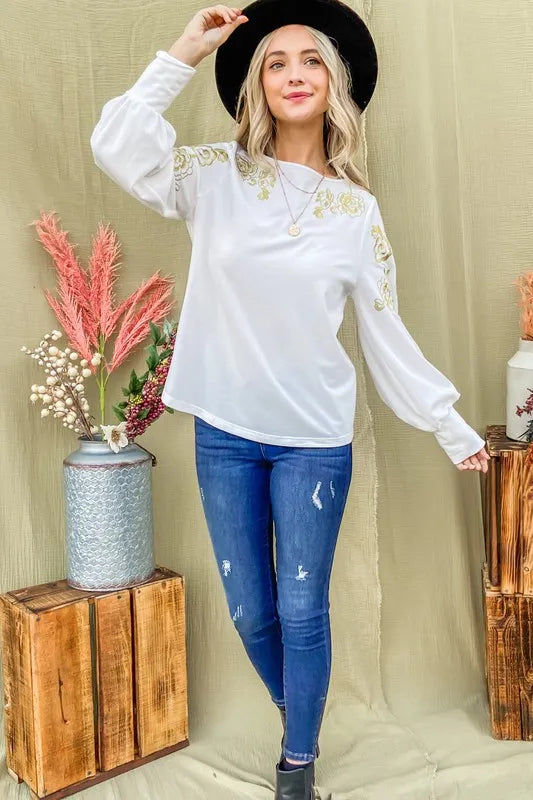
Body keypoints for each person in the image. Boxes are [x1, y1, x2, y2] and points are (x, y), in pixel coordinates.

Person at [90, 3, 491, 797]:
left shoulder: (356, 213)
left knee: (302, 607)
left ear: (333, 84)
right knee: (250, 611)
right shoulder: (211, 175)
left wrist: (446, 425)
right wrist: (184, 50)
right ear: (257, 87)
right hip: (224, 432)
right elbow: (116, 144)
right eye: (275, 62)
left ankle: (297, 763)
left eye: (310, 60)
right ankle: (297, 710)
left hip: (313, 438)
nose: (294, 73)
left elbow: (384, 333)